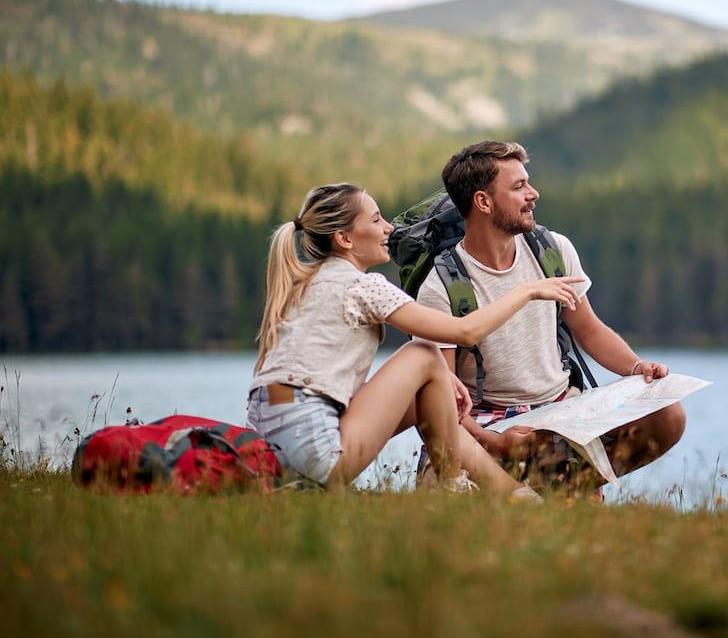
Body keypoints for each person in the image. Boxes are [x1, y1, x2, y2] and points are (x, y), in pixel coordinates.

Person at [247, 182, 584, 496]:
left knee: (428, 383)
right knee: (422, 352)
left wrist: (440, 383)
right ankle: (461, 486)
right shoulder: (362, 285)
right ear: (345, 239)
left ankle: (507, 492)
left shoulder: (306, 283)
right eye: (376, 220)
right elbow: (464, 331)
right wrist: (527, 290)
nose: (389, 229)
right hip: (317, 451)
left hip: (273, 454)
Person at [416, 141, 686, 494]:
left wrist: (637, 368)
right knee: (450, 497)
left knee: (668, 415)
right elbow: (439, 397)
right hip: (486, 424)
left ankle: (561, 486)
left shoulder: (553, 249)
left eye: (528, 182)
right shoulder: (443, 286)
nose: (534, 194)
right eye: (518, 187)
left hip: (561, 410)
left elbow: (588, 329)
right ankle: (544, 487)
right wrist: (493, 442)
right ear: (483, 202)